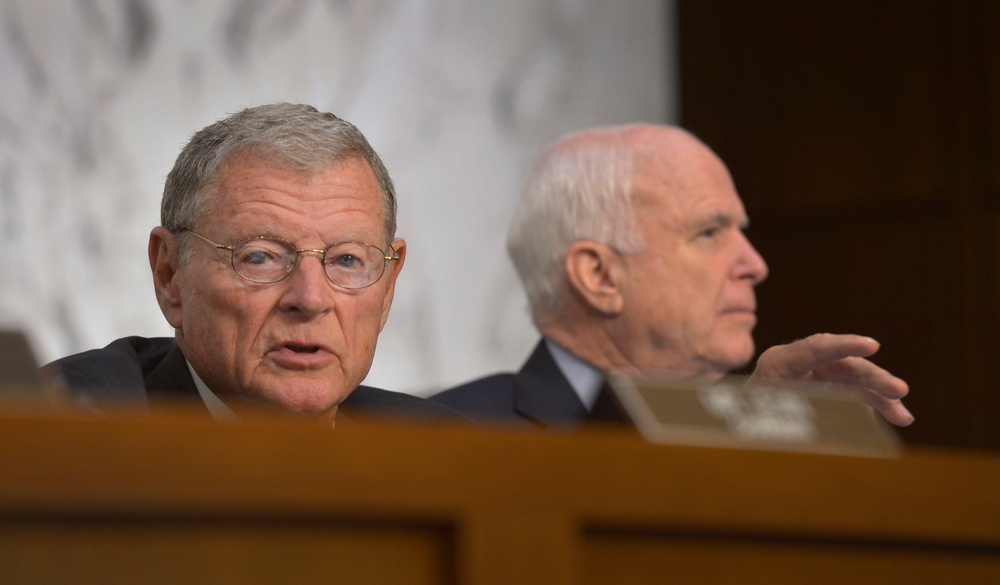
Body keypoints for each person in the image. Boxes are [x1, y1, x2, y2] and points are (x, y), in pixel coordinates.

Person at [431, 124, 913, 427]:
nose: (755, 265)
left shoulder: (752, 424)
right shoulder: (452, 431)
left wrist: (757, 424)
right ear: (599, 275)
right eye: (709, 232)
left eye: (740, 232)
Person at [44, 103, 459, 425]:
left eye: (347, 259)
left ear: (387, 288)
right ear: (170, 275)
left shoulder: (447, 455)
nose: (311, 299)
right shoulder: (58, 426)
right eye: (260, 257)